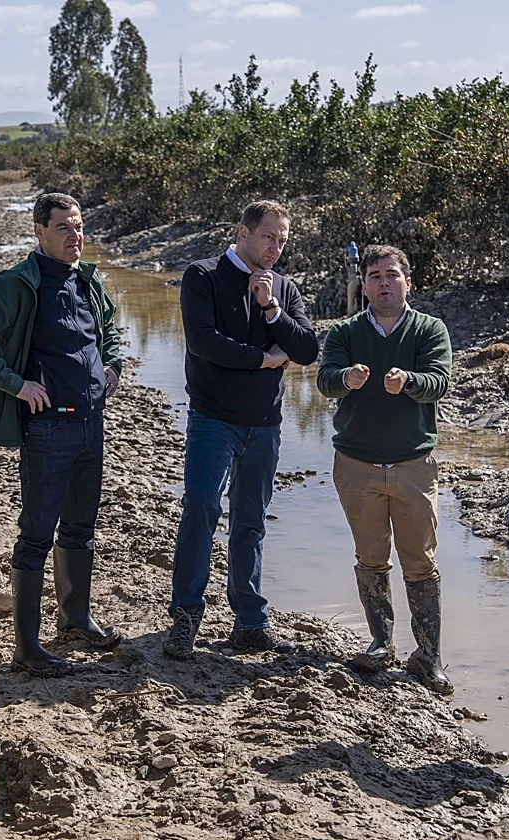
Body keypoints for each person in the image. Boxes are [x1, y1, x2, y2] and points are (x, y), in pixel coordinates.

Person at [0, 192, 125, 677]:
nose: (76, 236)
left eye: (79, 225)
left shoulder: (87, 280)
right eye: (64, 228)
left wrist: (112, 364)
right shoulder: (16, 284)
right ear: (39, 232)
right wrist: (15, 383)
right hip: (48, 428)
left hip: (92, 424)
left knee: (81, 528)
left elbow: (108, 327)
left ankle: (75, 620)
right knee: (36, 536)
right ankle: (27, 649)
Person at [164, 199, 319, 658]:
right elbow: (204, 341)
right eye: (269, 237)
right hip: (213, 419)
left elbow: (307, 348)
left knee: (250, 522)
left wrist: (271, 309)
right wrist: (263, 359)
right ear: (243, 233)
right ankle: (186, 617)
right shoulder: (203, 276)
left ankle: (250, 621)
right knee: (201, 510)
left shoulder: (284, 289)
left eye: (283, 241)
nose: (276, 247)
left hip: (265, 425)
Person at [316, 244, 454, 695]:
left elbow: (441, 380)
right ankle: (381, 643)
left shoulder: (429, 329)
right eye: (374, 275)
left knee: (420, 561)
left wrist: (410, 383)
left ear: (407, 282)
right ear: (364, 283)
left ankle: (429, 656)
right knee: (371, 558)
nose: (383, 282)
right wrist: (345, 380)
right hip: (357, 466)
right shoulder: (346, 332)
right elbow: (323, 379)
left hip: (414, 464)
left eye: (391, 274)